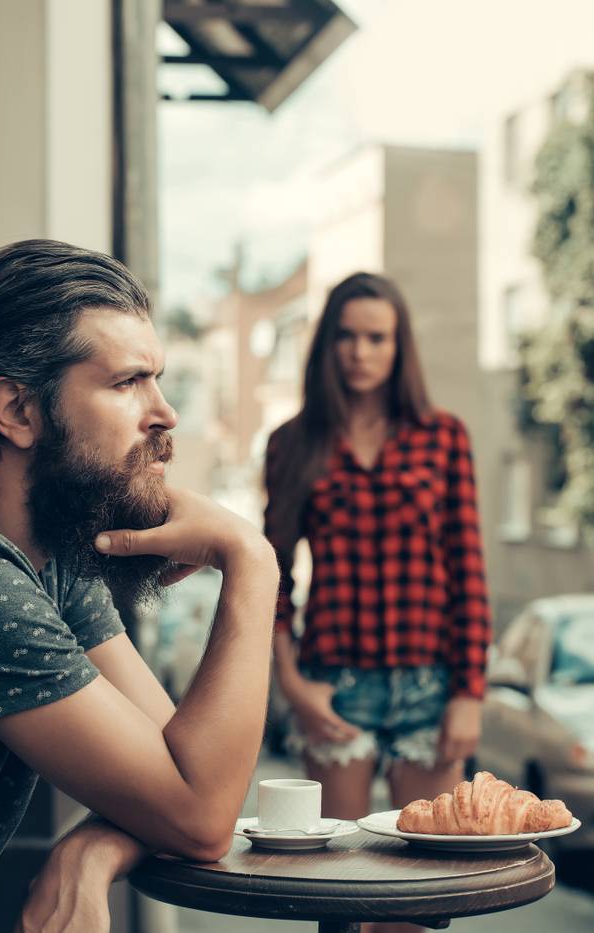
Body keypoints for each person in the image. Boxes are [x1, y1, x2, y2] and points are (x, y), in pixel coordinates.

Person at [0, 240, 279, 932]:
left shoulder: (50, 559)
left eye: (159, 379)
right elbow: (200, 815)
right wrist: (252, 563)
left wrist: (91, 847)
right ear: (17, 410)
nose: (165, 413)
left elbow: (182, 776)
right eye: (126, 381)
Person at [264, 272, 491, 933]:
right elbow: (272, 575)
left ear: (399, 347)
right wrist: (291, 681)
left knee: (416, 900)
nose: (360, 351)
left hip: (431, 684)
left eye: (376, 338)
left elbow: (468, 570)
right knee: (341, 892)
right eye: (347, 336)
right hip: (334, 687)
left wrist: (468, 691)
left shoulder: (443, 436)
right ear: (327, 344)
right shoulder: (292, 442)